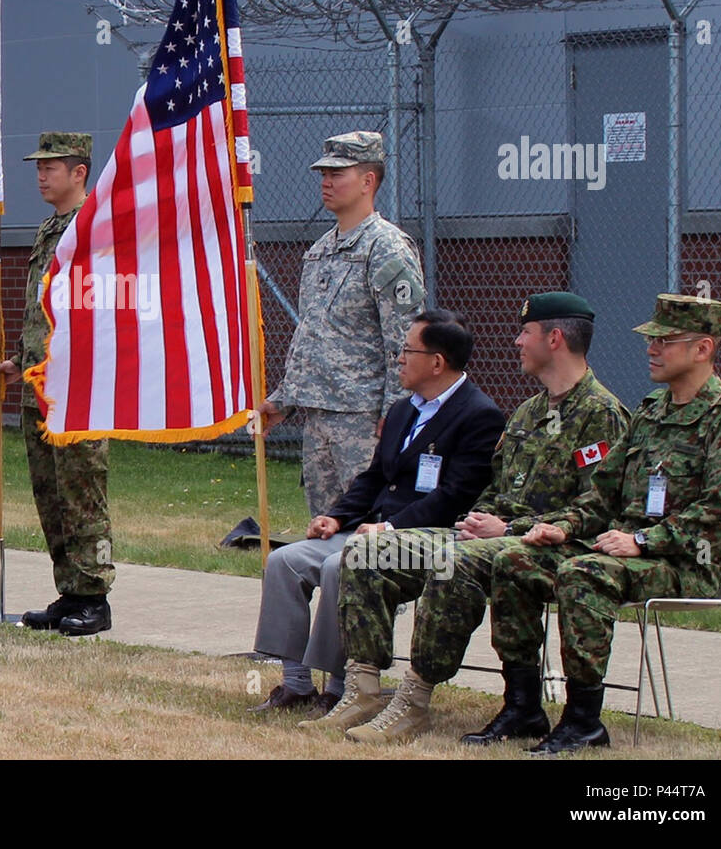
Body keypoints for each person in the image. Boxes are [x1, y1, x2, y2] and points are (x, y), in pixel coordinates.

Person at [333, 292, 629, 744]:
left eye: (525, 333)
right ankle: (363, 689)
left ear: (554, 339)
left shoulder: (601, 414)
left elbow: (599, 507)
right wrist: (481, 517)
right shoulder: (529, 412)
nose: (516, 342)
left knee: (454, 562)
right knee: (367, 550)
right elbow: (496, 487)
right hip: (490, 534)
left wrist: (509, 529)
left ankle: (414, 701)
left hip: (548, 544)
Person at [484, 293, 721, 754]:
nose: (651, 349)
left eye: (665, 341)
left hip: (687, 562)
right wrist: (564, 528)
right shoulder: (649, 413)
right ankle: (523, 705)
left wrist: (643, 540)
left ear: (703, 349)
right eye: (652, 340)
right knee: (514, 561)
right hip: (624, 548)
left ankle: (584, 720)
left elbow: (716, 514)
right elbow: (601, 492)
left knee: (583, 573)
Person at [249, 310, 504, 717]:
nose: (398, 359)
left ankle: (340, 686)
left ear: (437, 362)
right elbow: (374, 478)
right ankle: (296, 684)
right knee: (284, 561)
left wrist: (389, 527)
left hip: (423, 537)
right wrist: (336, 517)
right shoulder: (404, 410)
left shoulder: (479, 416)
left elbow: (455, 497)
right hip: (370, 529)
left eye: (407, 350)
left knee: (340, 565)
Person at [256, 130, 424, 530]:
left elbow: (405, 341)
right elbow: (312, 338)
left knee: (369, 530)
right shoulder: (320, 250)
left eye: (337, 173)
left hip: (364, 419)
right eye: (323, 174)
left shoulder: (387, 248)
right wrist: (285, 400)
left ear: (368, 181)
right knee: (325, 528)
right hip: (319, 418)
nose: (326, 183)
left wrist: (395, 415)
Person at [0, 132, 113, 636]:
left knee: (82, 488)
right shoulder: (50, 230)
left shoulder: (96, 228)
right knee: (51, 491)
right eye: (39, 167)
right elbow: (44, 313)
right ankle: (70, 590)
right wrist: (19, 362)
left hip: (79, 385)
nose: (41, 175)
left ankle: (96, 597)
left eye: (52, 167)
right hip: (39, 384)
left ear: (79, 171)